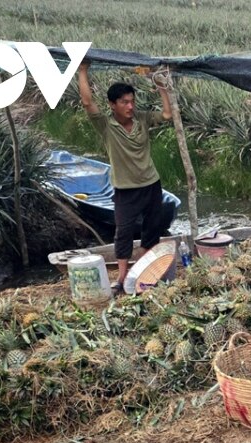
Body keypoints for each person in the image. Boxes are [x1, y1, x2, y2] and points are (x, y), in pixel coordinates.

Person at [77, 61, 174, 293]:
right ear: (113, 105)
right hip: (126, 189)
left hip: (151, 184)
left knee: (152, 229)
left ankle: (141, 270)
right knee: (124, 232)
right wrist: (82, 71)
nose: (130, 106)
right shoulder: (106, 125)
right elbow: (88, 102)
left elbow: (168, 114)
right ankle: (121, 278)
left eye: (132, 101)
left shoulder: (141, 118)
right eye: (124, 102)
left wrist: (161, 86)